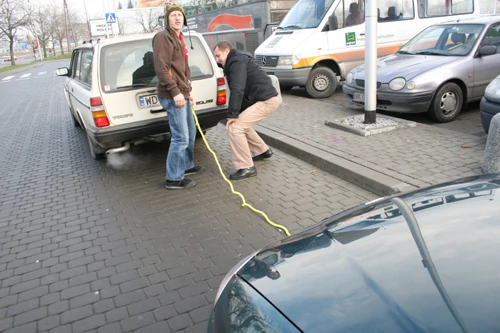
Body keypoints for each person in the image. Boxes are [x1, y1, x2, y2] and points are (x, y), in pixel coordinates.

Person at [153, 2, 205, 190]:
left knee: (190, 133)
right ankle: (173, 178)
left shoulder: (180, 37)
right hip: (171, 94)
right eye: (173, 15)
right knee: (180, 137)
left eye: (180, 15)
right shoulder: (162, 37)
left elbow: (182, 69)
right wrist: (175, 92)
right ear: (167, 18)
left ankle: (186, 165)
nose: (177, 18)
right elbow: (161, 67)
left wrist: (187, 92)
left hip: (182, 93)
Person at [213, 41, 279, 180]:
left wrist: (232, 115)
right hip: (265, 99)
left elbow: (238, 89)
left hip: (266, 101)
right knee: (241, 123)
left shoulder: (236, 62)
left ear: (226, 51)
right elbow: (241, 90)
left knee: (235, 127)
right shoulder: (237, 60)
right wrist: (236, 114)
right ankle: (262, 151)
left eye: (218, 56)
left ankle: (246, 167)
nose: (217, 60)